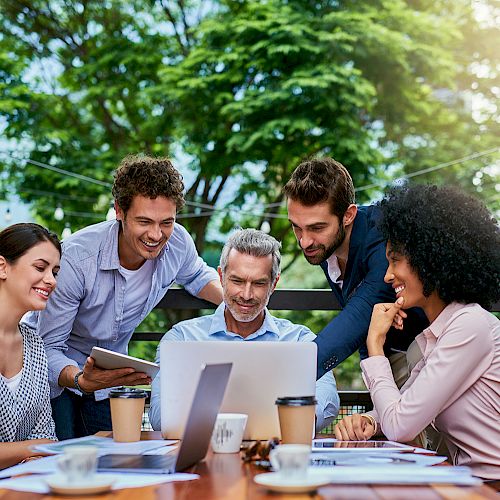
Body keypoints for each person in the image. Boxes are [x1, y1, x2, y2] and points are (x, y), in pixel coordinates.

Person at [24, 155, 223, 440]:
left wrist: (235, 302)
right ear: (119, 211)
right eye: (144, 221)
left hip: (109, 374)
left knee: (114, 454)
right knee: (62, 453)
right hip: (56, 372)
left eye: (166, 222)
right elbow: (49, 347)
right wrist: (82, 380)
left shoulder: (177, 241)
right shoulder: (77, 259)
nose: (156, 234)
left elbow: (197, 276)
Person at [334, 184, 500, 480]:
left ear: (431, 260)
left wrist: (374, 344)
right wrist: (370, 422)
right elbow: (406, 404)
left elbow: (401, 426)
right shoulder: (441, 332)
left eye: (395, 260)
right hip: (466, 483)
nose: (387, 275)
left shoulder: (470, 327)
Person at [149, 229, 339, 432]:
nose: (246, 295)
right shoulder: (181, 339)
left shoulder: (301, 340)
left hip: (273, 454)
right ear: (221, 277)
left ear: (273, 284)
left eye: (258, 283)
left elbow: (328, 399)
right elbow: (161, 415)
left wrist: (295, 423)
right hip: (203, 454)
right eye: (237, 281)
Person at [284, 157, 428, 382]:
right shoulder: (323, 245)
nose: (304, 242)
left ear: (348, 215)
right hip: (384, 358)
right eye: (296, 227)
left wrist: (285, 376)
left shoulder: (382, 235)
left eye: (317, 227)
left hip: (433, 355)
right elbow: (363, 325)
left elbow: (359, 314)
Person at [0, 223, 61, 468]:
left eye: (55, 272)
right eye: (40, 267)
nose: (51, 280)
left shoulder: (34, 344)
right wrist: (34, 448)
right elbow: (46, 445)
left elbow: (46, 434)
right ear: (2, 267)